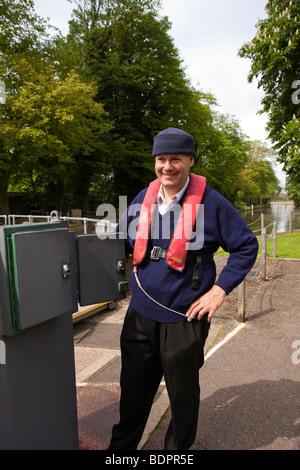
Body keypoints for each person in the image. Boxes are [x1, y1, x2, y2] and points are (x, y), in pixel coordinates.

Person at [108, 127, 258, 451]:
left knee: (182, 397)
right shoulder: (142, 199)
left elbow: (246, 245)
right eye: (161, 159)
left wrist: (219, 290)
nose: (167, 166)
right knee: (132, 393)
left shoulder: (212, 203)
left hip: (185, 317)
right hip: (140, 316)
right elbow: (120, 242)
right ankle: (119, 451)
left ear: (190, 161)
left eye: (175, 159)